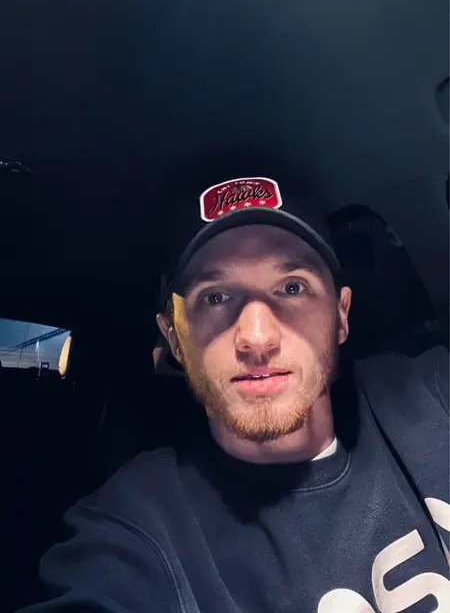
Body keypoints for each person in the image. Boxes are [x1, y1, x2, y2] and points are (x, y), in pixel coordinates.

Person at [19, 173, 449, 612]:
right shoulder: (139, 527)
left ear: (341, 316)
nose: (257, 338)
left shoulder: (430, 395)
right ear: (174, 338)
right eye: (216, 297)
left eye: (292, 288)